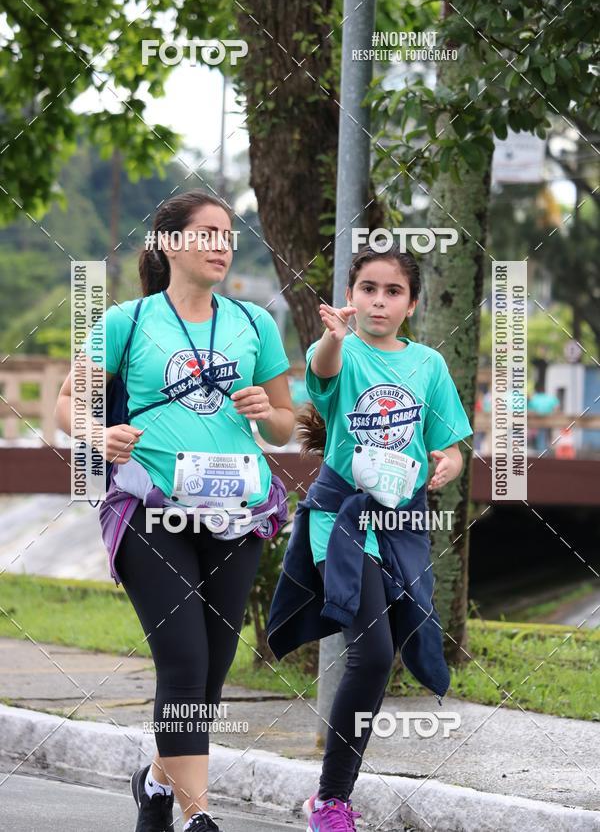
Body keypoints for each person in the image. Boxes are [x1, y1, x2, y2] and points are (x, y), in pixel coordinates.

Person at [55, 190, 295, 832]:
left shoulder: (254, 324)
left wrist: (264, 414)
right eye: (207, 233)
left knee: (211, 671)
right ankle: (199, 816)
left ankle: (157, 781)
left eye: (227, 235)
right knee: (184, 662)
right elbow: (65, 405)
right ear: (169, 244)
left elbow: (284, 425)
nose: (221, 245)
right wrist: (94, 435)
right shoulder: (126, 322)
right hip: (150, 509)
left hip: (235, 513)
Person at [267, 245, 473, 831]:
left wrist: (447, 464)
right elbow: (324, 372)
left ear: (411, 304)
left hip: (403, 521)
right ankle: (332, 802)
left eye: (392, 292)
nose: (379, 301)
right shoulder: (340, 351)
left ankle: (330, 795)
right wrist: (332, 336)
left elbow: (450, 446)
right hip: (343, 520)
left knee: (385, 655)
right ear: (352, 296)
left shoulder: (428, 366)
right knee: (374, 652)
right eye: (368, 290)